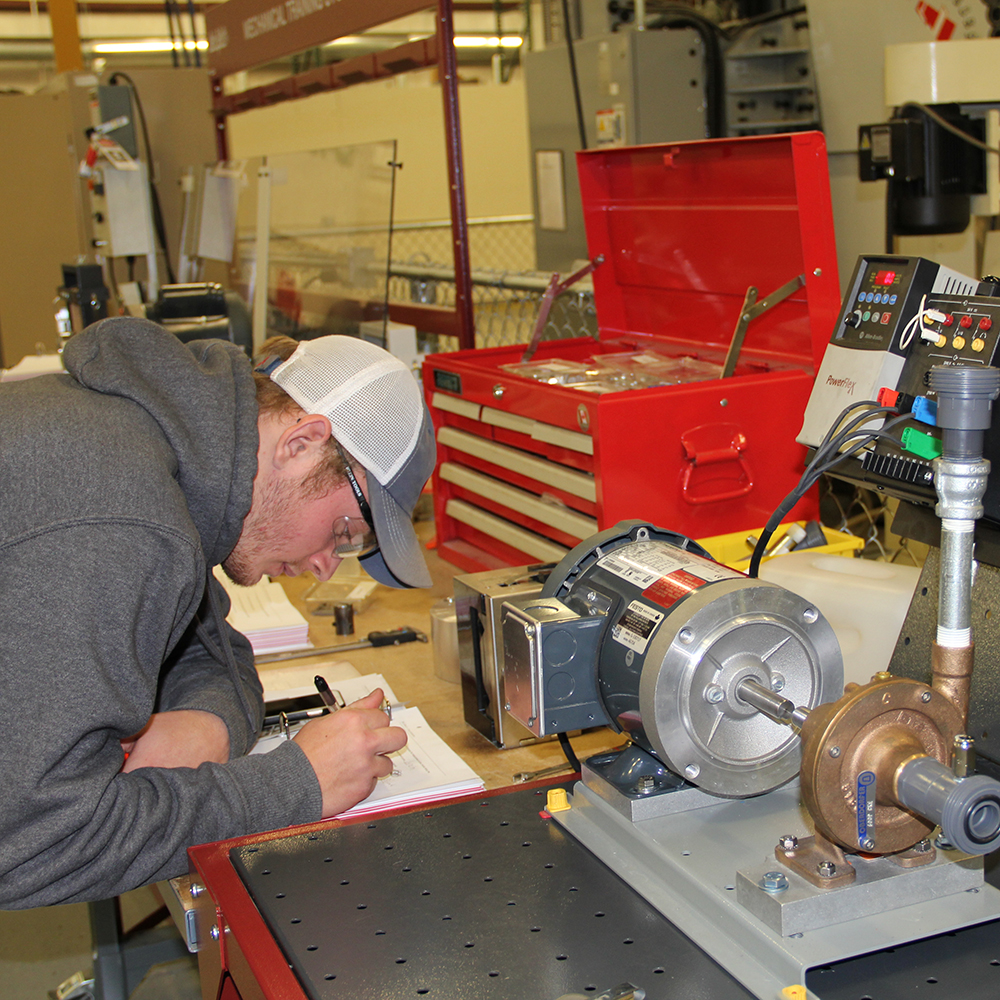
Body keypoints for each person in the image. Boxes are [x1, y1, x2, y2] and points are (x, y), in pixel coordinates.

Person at [0, 316, 436, 908]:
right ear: (302, 441)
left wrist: (209, 719)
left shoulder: (166, 456)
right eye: (342, 531)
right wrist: (295, 784)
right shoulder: (122, 524)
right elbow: (31, 844)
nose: (326, 567)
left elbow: (216, 647)